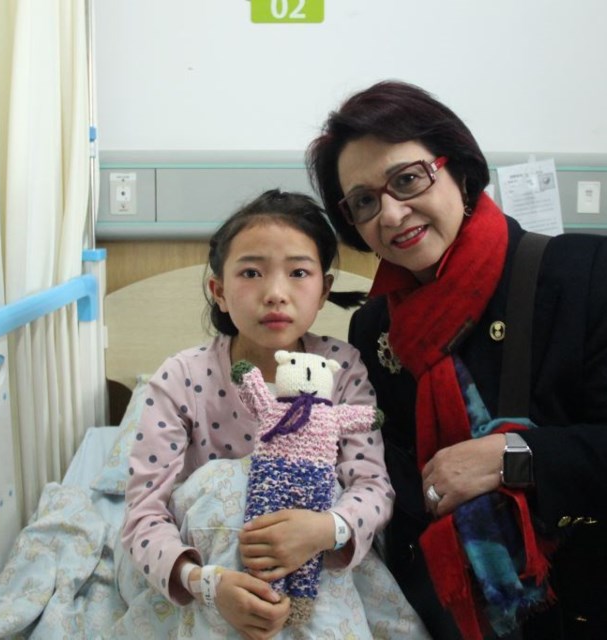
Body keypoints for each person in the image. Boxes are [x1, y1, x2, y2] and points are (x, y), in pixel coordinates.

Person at [306, 80, 607, 639]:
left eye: (408, 179)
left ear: (458, 171)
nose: (391, 213)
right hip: (464, 617)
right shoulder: (374, 328)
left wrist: (507, 457)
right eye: (364, 201)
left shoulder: (579, 272)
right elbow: (391, 483)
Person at [119, 189, 428, 639]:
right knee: (230, 481)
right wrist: (205, 584)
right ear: (219, 292)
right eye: (251, 272)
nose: (276, 293)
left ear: (324, 290)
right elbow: (143, 514)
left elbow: (372, 487)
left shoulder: (342, 370)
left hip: (311, 552)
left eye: (299, 272)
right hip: (202, 558)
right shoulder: (180, 377)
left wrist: (324, 528)